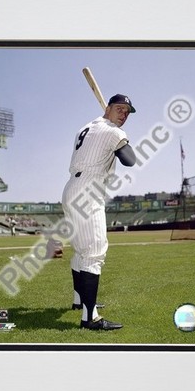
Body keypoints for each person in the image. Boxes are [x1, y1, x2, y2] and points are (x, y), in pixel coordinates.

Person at [62, 94, 137, 331]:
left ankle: (79, 301)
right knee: (94, 252)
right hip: (88, 190)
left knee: (81, 250)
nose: (123, 114)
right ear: (107, 108)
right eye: (119, 109)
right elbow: (130, 160)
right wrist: (123, 140)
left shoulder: (87, 127)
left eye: (127, 111)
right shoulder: (113, 132)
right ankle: (89, 317)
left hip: (71, 188)